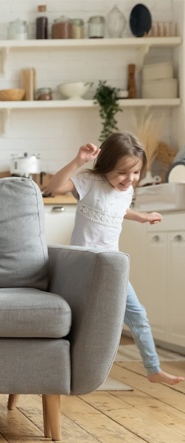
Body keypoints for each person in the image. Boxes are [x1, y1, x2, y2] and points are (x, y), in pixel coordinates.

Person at [43, 132, 183, 386]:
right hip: (85, 266)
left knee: (138, 315)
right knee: (81, 320)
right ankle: (63, 368)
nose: (129, 179)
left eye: (135, 173)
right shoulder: (89, 181)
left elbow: (117, 209)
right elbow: (53, 188)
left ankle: (153, 369)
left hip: (113, 267)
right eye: (122, 173)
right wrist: (78, 160)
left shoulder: (126, 191)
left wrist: (140, 216)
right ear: (105, 166)